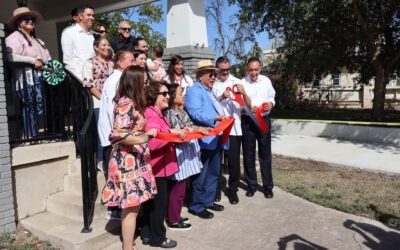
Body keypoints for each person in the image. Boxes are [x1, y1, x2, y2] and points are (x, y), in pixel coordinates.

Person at [101, 65, 157, 250]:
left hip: (135, 159)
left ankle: (129, 241)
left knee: (134, 206)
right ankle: (127, 247)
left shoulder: (132, 102)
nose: (147, 85)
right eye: (144, 82)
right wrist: (145, 137)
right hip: (127, 162)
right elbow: (118, 134)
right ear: (135, 82)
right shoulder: (126, 104)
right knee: (131, 208)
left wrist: (143, 134)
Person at [184, 60, 226, 219]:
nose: (213, 76)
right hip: (204, 139)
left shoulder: (210, 90)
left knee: (214, 172)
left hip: (215, 137)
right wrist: (215, 118)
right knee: (201, 174)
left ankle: (208, 201)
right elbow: (196, 113)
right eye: (210, 73)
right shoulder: (194, 90)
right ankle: (196, 205)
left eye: (214, 73)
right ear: (200, 75)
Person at [165, 83, 210, 230]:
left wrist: (201, 129)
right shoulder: (169, 113)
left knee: (182, 187)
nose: (183, 95)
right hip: (179, 154)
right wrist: (187, 129)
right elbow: (176, 130)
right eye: (180, 93)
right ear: (172, 97)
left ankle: (175, 214)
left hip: (187, 153)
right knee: (177, 188)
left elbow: (190, 125)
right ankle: (173, 219)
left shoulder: (182, 111)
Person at [98, 50, 135, 220]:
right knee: (115, 176)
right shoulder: (117, 80)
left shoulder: (119, 78)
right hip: (114, 137)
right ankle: (113, 210)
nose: (134, 63)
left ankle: (117, 209)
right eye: (131, 60)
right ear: (120, 63)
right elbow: (116, 110)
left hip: (116, 135)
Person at [141, 82, 178, 248]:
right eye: (163, 93)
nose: (168, 96)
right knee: (159, 205)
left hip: (158, 167)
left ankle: (147, 234)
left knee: (151, 204)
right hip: (158, 168)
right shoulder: (153, 115)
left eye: (168, 93)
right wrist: (171, 134)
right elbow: (153, 143)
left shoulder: (157, 113)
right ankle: (159, 238)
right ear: (153, 96)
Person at [6, 7, 51, 138]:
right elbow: (10, 56)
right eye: (26, 19)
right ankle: (28, 135)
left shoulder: (39, 41)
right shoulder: (15, 37)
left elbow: (48, 59)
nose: (30, 21)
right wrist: (32, 61)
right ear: (19, 22)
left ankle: (32, 134)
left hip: (41, 78)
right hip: (27, 78)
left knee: (39, 108)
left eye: (32, 19)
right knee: (31, 107)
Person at [213, 56, 251, 204]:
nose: (225, 73)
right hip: (217, 129)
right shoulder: (212, 83)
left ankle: (233, 189)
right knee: (216, 161)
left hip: (234, 129)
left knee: (234, 162)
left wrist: (244, 93)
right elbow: (210, 103)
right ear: (217, 70)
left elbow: (247, 106)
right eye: (222, 70)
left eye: (227, 70)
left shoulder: (237, 82)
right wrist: (221, 96)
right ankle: (216, 190)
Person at [241, 57, 276, 199]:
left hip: (264, 121)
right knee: (248, 155)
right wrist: (246, 108)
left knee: (265, 154)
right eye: (251, 70)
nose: (253, 73)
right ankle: (251, 185)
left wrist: (270, 105)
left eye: (256, 69)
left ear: (260, 69)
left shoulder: (266, 81)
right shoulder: (242, 83)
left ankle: (267, 187)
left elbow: (272, 97)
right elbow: (239, 103)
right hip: (248, 121)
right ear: (247, 70)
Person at [82, 36, 114, 172]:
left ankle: (111, 158)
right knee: (102, 132)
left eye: (108, 45)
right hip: (98, 103)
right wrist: (102, 98)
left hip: (112, 103)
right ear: (96, 47)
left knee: (112, 131)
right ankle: (101, 160)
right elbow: (88, 84)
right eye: (104, 45)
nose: (107, 47)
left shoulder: (112, 64)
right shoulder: (89, 63)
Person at [61, 4, 95, 80]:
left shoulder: (95, 35)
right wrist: (79, 79)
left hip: (95, 78)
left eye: (93, 15)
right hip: (79, 80)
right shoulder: (69, 32)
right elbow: (68, 60)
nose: (92, 18)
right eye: (89, 15)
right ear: (80, 16)